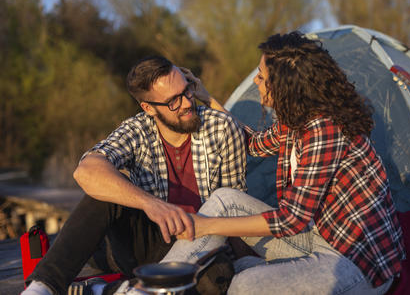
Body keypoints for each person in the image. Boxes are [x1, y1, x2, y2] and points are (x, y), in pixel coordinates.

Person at [156, 31, 406, 295]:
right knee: (224, 200)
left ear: (285, 86)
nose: (256, 80)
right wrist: (207, 99)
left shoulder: (324, 129)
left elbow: (291, 220)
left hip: (354, 262)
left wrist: (207, 225)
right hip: (317, 236)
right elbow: (252, 143)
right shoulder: (296, 118)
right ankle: (151, 286)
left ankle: (248, 270)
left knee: (243, 285)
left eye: (262, 77)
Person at [22, 56, 247, 295]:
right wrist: (152, 205)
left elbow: (235, 203)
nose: (186, 103)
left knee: (219, 277)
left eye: (187, 91)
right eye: (173, 101)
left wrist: (246, 265)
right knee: (103, 191)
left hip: (202, 243)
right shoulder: (137, 129)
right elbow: (86, 170)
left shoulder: (222, 128)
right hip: (146, 243)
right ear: (148, 108)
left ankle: (106, 291)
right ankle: (41, 288)